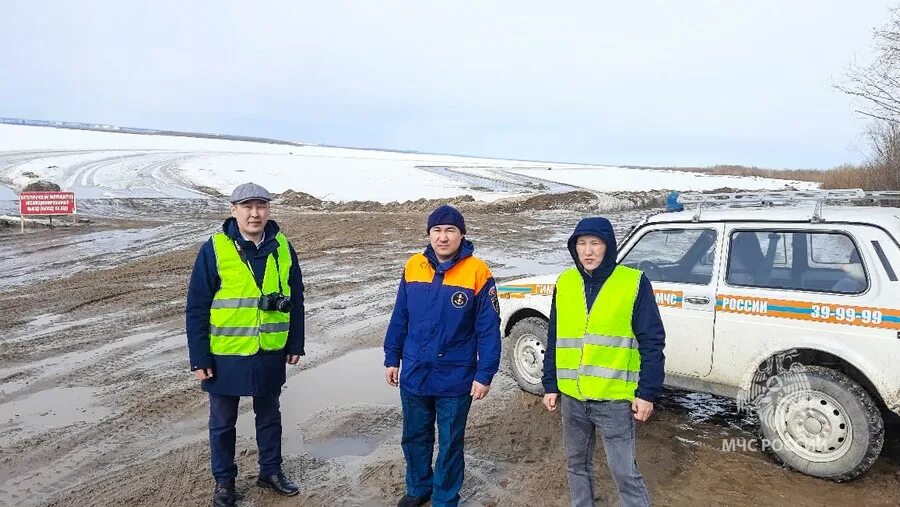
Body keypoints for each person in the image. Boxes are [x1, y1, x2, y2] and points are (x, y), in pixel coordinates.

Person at [186, 182, 305, 507]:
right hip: (225, 355)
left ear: (268, 210)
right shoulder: (215, 248)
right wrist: (199, 357)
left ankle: (271, 471)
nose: (255, 213)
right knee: (223, 423)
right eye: (247, 206)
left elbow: (296, 297)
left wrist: (295, 342)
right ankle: (224, 483)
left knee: (270, 416)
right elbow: (197, 306)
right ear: (233, 209)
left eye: (261, 206)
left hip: (269, 350)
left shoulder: (282, 246)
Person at [541, 217, 665, 507]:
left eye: (595, 243)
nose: (588, 251)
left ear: (608, 247)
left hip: (614, 398)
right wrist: (550, 385)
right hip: (573, 395)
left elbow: (652, 341)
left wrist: (647, 393)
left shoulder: (633, 283)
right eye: (581, 244)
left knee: (623, 471)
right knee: (576, 465)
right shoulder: (566, 282)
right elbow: (554, 336)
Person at [383, 205, 501, 507]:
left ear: (462, 234)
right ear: (429, 234)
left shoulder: (477, 271)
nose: (443, 237)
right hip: (415, 372)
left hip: (455, 376)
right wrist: (391, 357)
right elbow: (400, 316)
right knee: (414, 436)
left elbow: (488, 330)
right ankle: (418, 487)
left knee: (449, 443)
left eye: (450, 230)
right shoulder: (413, 266)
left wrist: (484, 374)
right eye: (437, 230)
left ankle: (445, 498)